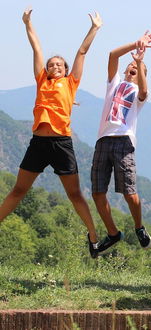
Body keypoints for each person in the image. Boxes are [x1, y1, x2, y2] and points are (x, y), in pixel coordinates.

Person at [0, 8, 102, 258]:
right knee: (18, 190)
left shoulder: (71, 82)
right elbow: (37, 49)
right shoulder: (41, 80)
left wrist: (94, 28)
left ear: (66, 70)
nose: (54, 66)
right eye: (51, 64)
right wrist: (28, 23)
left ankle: (93, 236)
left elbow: (82, 52)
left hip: (61, 143)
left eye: (59, 64)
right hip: (38, 143)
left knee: (75, 194)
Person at [91, 31, 151, 253]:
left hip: (124, 142)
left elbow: (146, 90)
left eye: (138, 69)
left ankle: (139, 227)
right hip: (103, 140)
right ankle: (112, 233)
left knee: (129, 192)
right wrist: (136, 44)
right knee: (97, 192)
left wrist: (140, 63)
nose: (132, 68)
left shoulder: (140, 91)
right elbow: (112, 55)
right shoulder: (115, 84)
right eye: (130, 66)